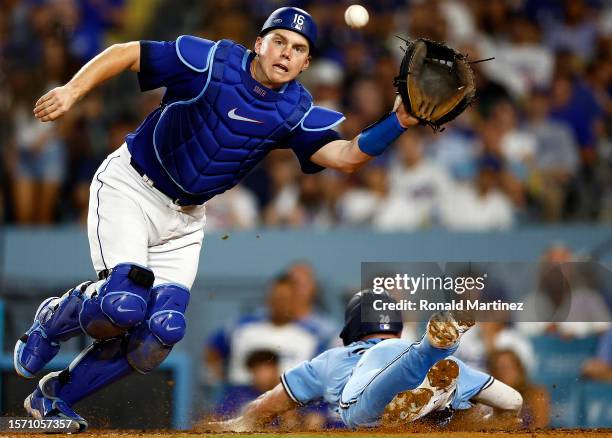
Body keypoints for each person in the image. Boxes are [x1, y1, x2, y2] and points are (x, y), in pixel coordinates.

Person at [13, 7, 419, 432]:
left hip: (186, 219)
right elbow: (128, 52)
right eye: (279, 40)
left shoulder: (295, 109)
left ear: (306, 63)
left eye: (298, 48)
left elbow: (347, 156)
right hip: (132, 187)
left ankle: (53, 398)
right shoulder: (210, 62)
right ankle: (51, 320)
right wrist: (73, 91)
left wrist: (398, 122)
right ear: (259, 43)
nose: (286, 53)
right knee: (123, 303)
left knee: (161, 333)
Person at [211, 290, 523, 432]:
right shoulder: (446, 367)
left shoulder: (334, 359)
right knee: (496, 400)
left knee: (366, 407)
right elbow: (511, 402)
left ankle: (422, 390)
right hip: (421, 367)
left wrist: (240, 422)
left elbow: (271, 404)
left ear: (353, 327)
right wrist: (489, 424)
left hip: (366, 412)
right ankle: (435, 389)